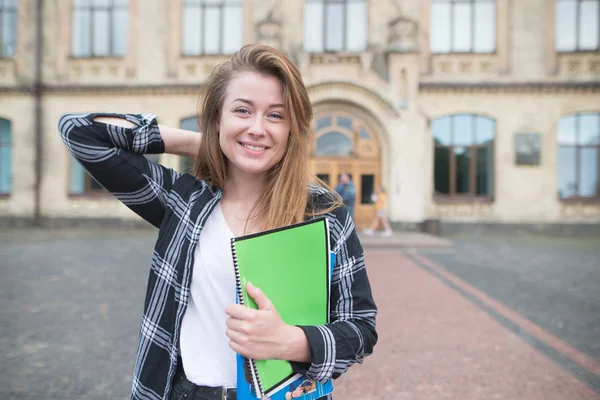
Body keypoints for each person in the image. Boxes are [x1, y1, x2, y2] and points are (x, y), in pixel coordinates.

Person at [58, 44, 377, 400]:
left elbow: (361, 329)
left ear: (293, 129)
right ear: (216, 118)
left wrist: (293, 342)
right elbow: (79, 132)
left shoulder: (324, 213)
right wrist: (210, 143)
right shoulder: (183, 200)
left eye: (275, 115)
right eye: (242, 110)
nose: (257, 128)